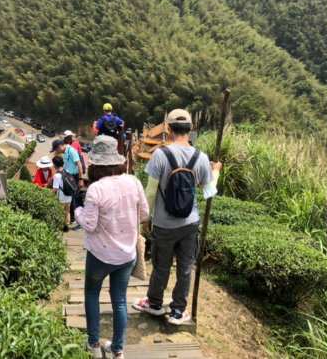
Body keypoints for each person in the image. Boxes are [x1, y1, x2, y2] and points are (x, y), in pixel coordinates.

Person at [132, 109, 221, 325]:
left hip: (164, 224)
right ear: (190, 130)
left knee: (161, 265)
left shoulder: (160, 155)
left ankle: (154, 304)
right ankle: (178, 312)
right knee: (185, 268)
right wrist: (216, 170)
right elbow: (209, 192)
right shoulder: (201, 158)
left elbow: (151, 192)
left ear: (169, 129)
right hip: (190, 224)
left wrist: (143, 219)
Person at [75, 135, 149, 359]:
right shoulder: (133, 182)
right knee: (119, 301)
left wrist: (77, 210)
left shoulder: (96, 189)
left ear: (95, 163)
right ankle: (117, 350)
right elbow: (144, 214)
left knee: (91, 293)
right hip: (126, 255)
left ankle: (94, 345)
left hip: (99, 255)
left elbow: (89, 224)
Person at [51, 156, 73, 231]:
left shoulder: (57, 175)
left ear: (54, 165)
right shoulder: (68, 172)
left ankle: (58, 227)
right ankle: (66, 227)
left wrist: (49, 195)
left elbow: (55, 188)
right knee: (67, 212)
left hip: (61, 197)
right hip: (69, 196)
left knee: (59, 212)